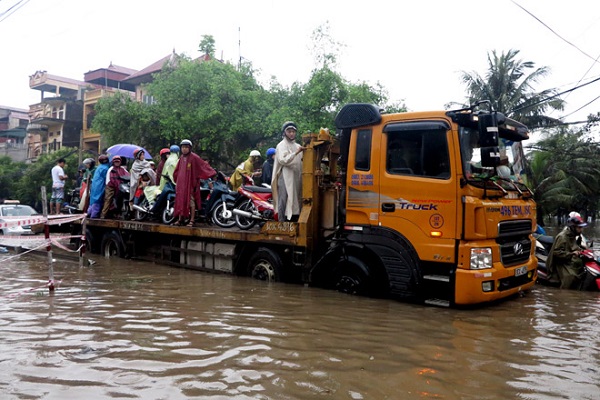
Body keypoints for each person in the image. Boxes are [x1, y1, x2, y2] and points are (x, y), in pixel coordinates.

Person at [173, 139, 216, 226]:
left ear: (190, 148)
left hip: (190, 184)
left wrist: (212, 173)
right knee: (181, 201)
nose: (184, 149)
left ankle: (192, 220)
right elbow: (177, 171)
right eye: (183, 147)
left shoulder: (194, 157)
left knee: (191, 202)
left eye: (186, 147)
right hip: (181, 184)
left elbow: (203, 166)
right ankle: (180, 219)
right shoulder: (181, 158)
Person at [272, 121, 305, 221]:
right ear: (285, 132)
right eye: (289, 131)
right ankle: (282, 222)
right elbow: (283, 160)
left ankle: (294, 220)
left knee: (296, 199)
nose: (291, 133)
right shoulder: (281, 145)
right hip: (285, 177)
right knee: (284, 199)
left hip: (296, 176)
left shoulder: (297, 145)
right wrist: (296, 152)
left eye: (293, 131)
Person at [547, 215, 587, 289]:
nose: (581, 230)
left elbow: (574, 246)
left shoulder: (574, 235)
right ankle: (563, 294)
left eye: (582, 228)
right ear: (573, 227)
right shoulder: (562, 237)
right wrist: (572, 253)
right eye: (579, 227)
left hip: (569, 260)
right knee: (570, 277)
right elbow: (556, 253)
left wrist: (582, 249)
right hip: (560, 263)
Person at [150, 145, 179, 216]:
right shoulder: (163, 164)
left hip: (172, 182)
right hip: (164, 183)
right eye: (166, 154)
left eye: (169, 153)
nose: (168, 155)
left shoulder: (174, 161)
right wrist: (158, 184)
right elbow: (160, 175)